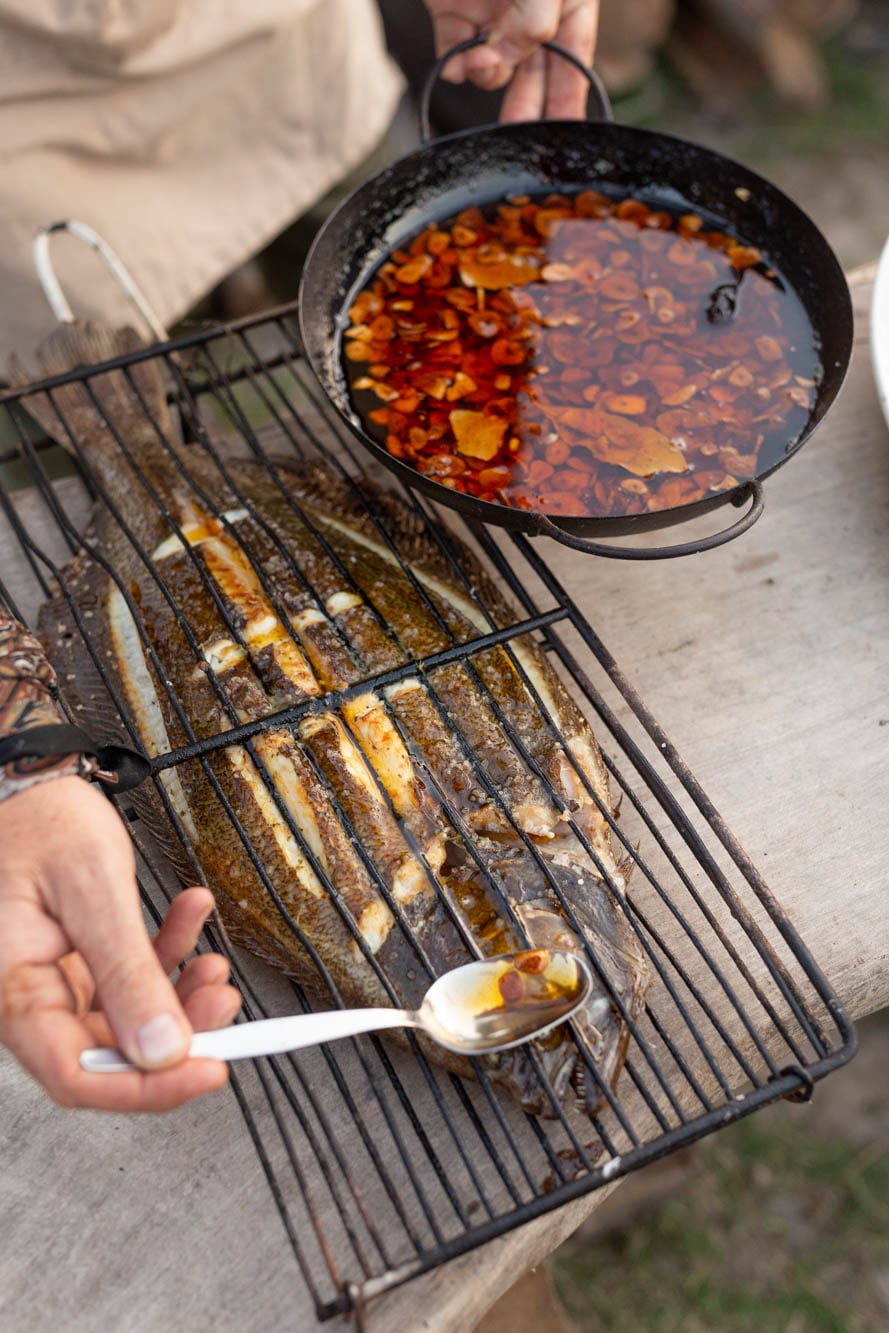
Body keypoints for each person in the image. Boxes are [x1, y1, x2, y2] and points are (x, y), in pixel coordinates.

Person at [0, 0, 600, 1113]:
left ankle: (191, 334)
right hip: (21, 134)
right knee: (82, 309)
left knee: (269, 236)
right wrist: (17, 755)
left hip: (264, 52)